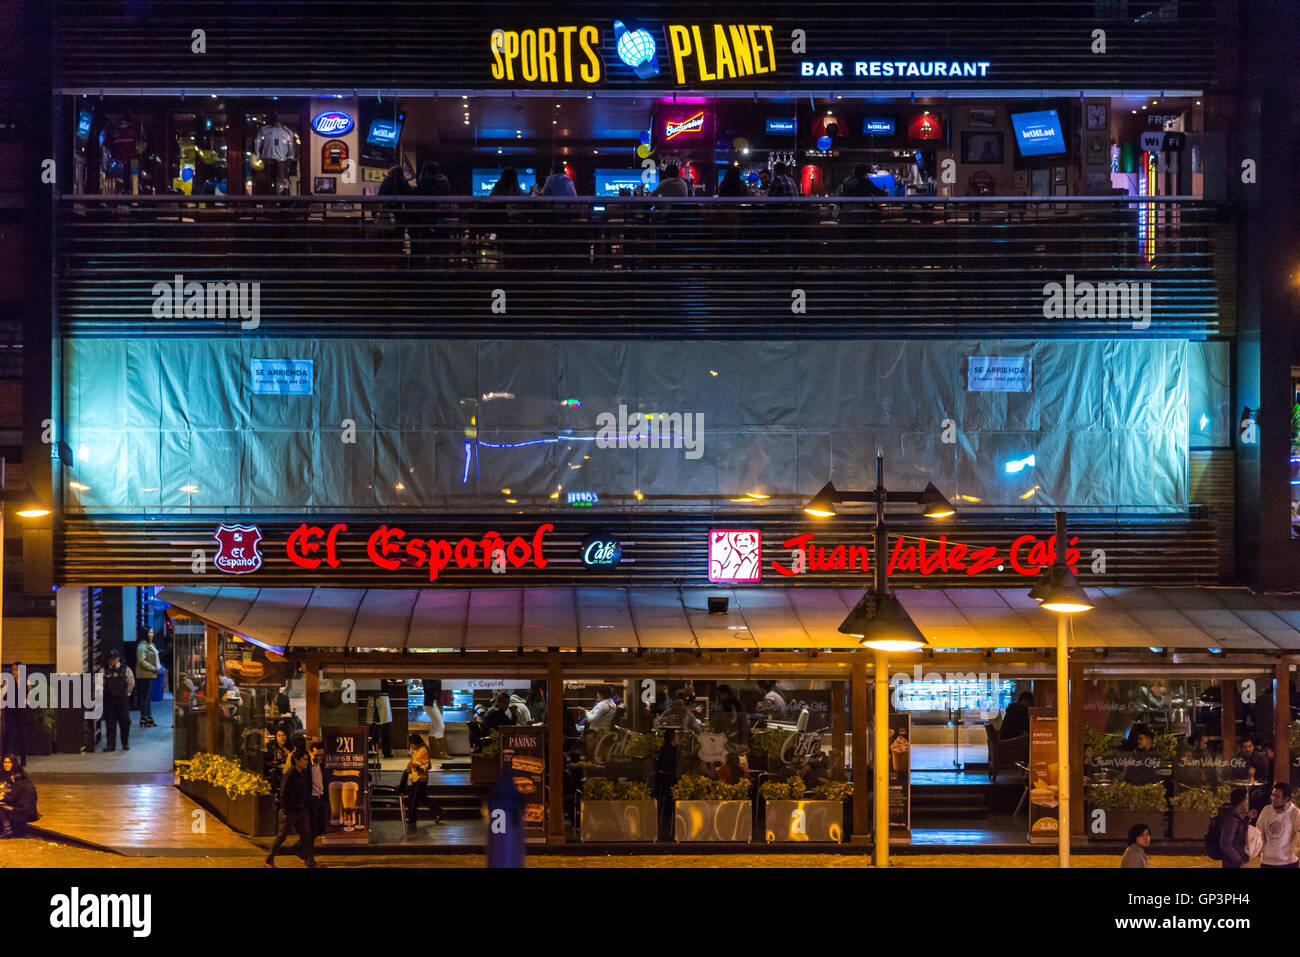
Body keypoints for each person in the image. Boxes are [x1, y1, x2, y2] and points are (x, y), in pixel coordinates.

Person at [266, 751, 317, 868]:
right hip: (290, 811)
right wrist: (286, 810)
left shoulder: (303, 774)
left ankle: (310, 861)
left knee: (306, 836)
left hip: (301, 810)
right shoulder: (290, 775)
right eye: (304, 759)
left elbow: (306, 791)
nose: (306, 762)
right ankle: (269, 858)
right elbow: (283, 794)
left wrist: (306, 805)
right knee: (282, 836)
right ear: (297, 761)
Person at [397, 739, 444, 829]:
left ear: (416, 743)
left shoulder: (423, 750)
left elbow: (428, 765)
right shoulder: (416, 751)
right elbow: (414, 761)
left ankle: (412, 817)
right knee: (421, 797)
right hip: (415, 777)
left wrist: (419, 767)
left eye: (411, 744)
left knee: (413, 798)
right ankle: (439, 812)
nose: (411, 746)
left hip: (421, 778)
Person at [1256, 781, 1300, 868]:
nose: (1273, 798)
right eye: (1272, 795)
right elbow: (1258, 832)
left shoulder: (1295, 813)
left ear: (1286, 799)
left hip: (1288, 862)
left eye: (1277, 796)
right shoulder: (1266, 810)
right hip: (1267, 861)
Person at [99, 649, 135, 752]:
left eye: (114, 659)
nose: (112, 661)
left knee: (125, 722)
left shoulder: (125, 669)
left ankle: (125, 743)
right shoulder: (104, 670)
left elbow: (131, 682)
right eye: (110, 659)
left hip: (122, 699)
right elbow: (99, 684)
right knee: (110, 723)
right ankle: (111, 745)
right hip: (109, 699)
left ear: (118, 658)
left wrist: (127, 694)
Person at [1212, 786, 1252, 868]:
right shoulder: (1232, 819)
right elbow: (1225, 843)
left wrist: (1247, 819)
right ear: (1242, 802)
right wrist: (1240, 862)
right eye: (1247, 799)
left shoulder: (1235, 817)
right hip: (1233, 864)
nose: (1248, 802)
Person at [0, 760, 37, 838]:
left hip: (25, 813)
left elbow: (10, 799)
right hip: (30, 812)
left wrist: (2, 797)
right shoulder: (26, 782)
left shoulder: (19, 784)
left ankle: (7, 830)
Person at [1, 663, 28, 766]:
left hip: (20, 712)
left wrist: (27, 701)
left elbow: (28, 696)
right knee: (7, 735)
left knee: (22, 736)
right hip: (10, 712)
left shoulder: (25, 682)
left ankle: (23, 760)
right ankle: (3, 758)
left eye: (16, 669)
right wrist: (5, 686)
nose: (14, 671)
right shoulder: (8, 680)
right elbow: (2, 694)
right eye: (13, 669)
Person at [654, 730, 679, 840]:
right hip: (669, 781)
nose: (678, 738)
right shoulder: (672, 752)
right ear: (673, 738)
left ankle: (664, 827)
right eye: (676, 736)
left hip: (662, 781)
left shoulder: (662, 750)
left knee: (664, 804)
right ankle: (668, 830)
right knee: (669, 803)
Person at [135, 628, 160, 729]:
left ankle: (148, 717)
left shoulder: (151, 645)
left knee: (148, 698)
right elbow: (141, 660)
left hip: (150, 674)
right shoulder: (142, 646)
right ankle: (144, 717)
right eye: (150, 632)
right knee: (144, 697)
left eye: (153, 632)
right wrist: (153, 668)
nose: (152, 634)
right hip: (144, 675)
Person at [307, 740, 328, 837]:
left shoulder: (322, 765)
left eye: (321, 755)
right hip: (312, 798)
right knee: (313, 826)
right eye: (316, 755)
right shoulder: (306, 766)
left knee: (322, 824)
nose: (319, 758)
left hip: (322, 797)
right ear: (310, 752)